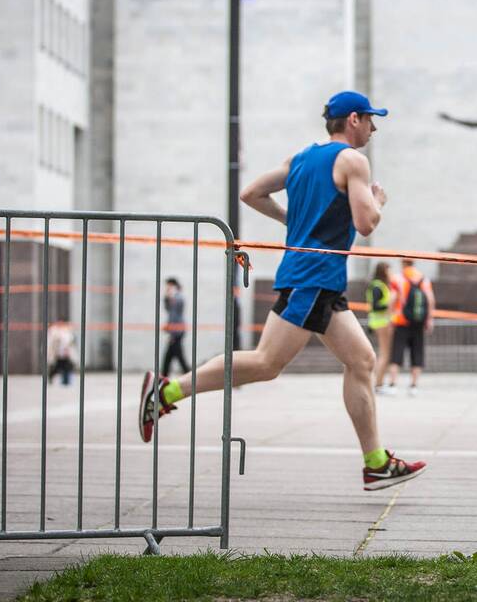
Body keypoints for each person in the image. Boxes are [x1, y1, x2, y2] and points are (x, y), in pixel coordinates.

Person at [138, 90, 426, 491]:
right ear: (354, 119)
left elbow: (250, 193)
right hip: (314, 277)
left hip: (318, 278)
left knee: (361, 360)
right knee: (265, 363)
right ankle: (167, 390)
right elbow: (365, 223)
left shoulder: (301, 159)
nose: (375, 128)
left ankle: (376, 462)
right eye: (371, 119)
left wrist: (292, 221)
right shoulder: (353, 161)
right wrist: (377, 200)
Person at [386, 260, 435, 396]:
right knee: (417, 352)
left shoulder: (398, 278)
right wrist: (429, 319)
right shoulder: (424, 279)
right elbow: (430, 299)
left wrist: (390, 316)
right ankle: (414, 386)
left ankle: (393, 384)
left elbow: (393, 298)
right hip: (419, 322)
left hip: (401, 320)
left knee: (397, 352)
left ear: (402, 263)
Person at [366, 262, 394, 393]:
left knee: (384, 354)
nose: (391, 273)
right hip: (381, 323)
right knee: (384, 354)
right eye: (389, 270)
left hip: (381, 322)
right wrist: (389, 305)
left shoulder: (379, 285)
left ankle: (379, 383)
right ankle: (378, 384)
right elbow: (375, 306)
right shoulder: (378, 286)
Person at [161, 278, 190, 377]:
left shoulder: (178, 297)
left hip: (177, 331)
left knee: (175, 356)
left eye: (169, 286)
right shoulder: (173, 297)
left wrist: (172, 332)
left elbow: (174, 313)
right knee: (172, 355)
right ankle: (164, 376)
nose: (167, 288)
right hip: (175, 330)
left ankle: (188, 374)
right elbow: (168, 309)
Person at [47, 321, 77, 386]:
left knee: (66, 367)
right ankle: (61, 379)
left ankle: (65, 380)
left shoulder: (66, 332)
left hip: (64, 354)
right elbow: (54, 344)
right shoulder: (56, 332)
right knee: (59, 367)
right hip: (59, 354)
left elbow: (69, 343)